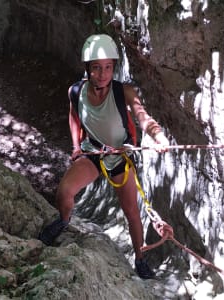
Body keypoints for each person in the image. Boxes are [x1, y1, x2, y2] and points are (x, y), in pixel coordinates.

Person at [39, 34, 169, 279]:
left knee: (131, 212)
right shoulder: (76, 92)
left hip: (120, 157)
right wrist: (76, 146)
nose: (103, 74)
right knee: (64, 192)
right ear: (87, 69)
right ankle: (64, 221)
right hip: (93, 152)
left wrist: (159, 137)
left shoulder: (124, 92)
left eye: (108, 67)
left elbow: (144, 118)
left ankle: (140, 258)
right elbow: (73, 117)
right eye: (97, 68)